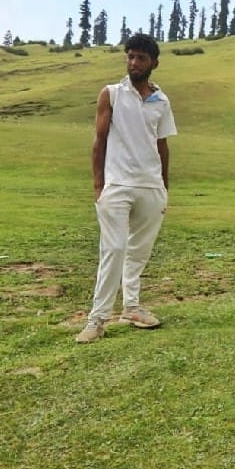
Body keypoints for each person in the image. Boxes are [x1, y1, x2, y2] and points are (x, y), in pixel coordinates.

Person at [75, 33, 177, 343]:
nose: (134, 62)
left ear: (154, 63)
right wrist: (98, 185)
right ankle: (97, 319)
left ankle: (131, 307)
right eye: (130, 56)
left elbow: (162, 145)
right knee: (114, 248)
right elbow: (99, 140)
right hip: (116, 185)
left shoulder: (162, 100)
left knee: (138, 252)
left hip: (150, 186)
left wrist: (164, 186)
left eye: (141, 58)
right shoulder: (112, 94)